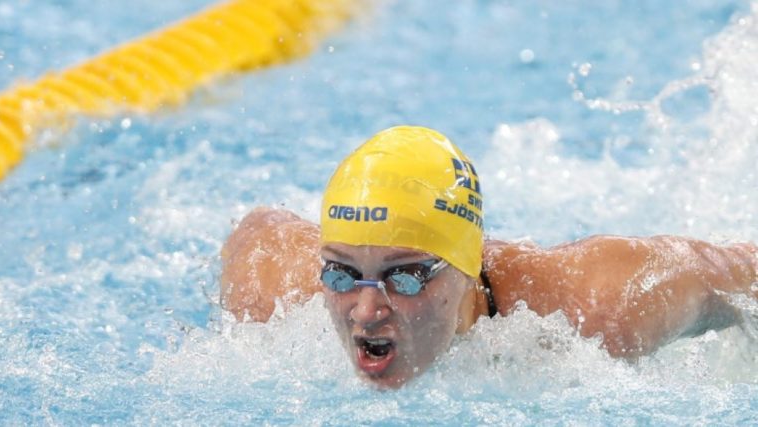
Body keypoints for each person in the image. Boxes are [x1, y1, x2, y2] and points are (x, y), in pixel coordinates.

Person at [220, 126, 758, 388]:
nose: (365, 311)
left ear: (466, 265)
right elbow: (254, 229)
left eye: (404, 277)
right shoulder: (270, 285)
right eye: (342, 274)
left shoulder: (601, 306)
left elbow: (745, 272)